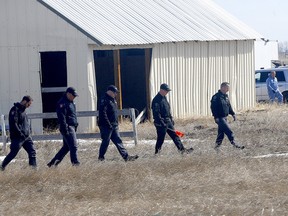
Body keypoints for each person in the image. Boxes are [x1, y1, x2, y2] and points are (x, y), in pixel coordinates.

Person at [97, 85, 138, 162]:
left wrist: (115, 123)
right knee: (105, 142)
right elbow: (103, 114)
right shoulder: (104, 100)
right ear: (110, 92)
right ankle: (101, 158)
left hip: (114, 125)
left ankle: (126, 157)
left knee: (118, 141)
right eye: (115, 93)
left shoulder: (112, 100)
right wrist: (108, 124)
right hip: (106, 126)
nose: (116, 94)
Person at [151, 83, 193, 155]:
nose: (167, 92)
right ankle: (157, 153)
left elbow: (167, 109)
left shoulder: (164, 98)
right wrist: (162, 123)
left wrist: (171, 119)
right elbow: (156, 113)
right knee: (160, 139)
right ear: (161, 90)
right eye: (166, 90)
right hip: (161, 123)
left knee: (175, 136)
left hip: (168, 121)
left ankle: (182, 150)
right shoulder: (156, 100)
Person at [0, 96, 36, 171]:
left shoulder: (24, 111)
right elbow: (14, 124)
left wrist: (28, 132)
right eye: (28, 104)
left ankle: (33, 171)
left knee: (32, 152)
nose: (29, 106)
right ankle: (2, 167)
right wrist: (20, 134)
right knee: (13, 153)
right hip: (18, 137)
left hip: (27, 137)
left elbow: (25, 123)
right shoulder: (15, 110)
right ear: (24, 101)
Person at [47, 87, 80, 167]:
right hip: (68, 127)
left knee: (66, 147)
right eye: (73, 95)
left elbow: (73, 115)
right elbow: (62, 118)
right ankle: (75, 164)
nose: (74, 97)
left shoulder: (72, 102)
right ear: (68, 94)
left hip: (72, 126)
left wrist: (75, 124)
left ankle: (52, 164)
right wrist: (65, 129)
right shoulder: (62, 103)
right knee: (73, 146)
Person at [210, 82, 244, 150]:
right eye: (227, 88)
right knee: (229, 131)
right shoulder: (216, 97)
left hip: (225, 117)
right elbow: (213, 108)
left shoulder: (225, 96)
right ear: (222, 87)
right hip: (219, 118)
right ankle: (234, 144)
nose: (228, 89)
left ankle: (216, 147)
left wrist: (233, 114)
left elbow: (229, 106)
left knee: (221, 134)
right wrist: (216, 117)